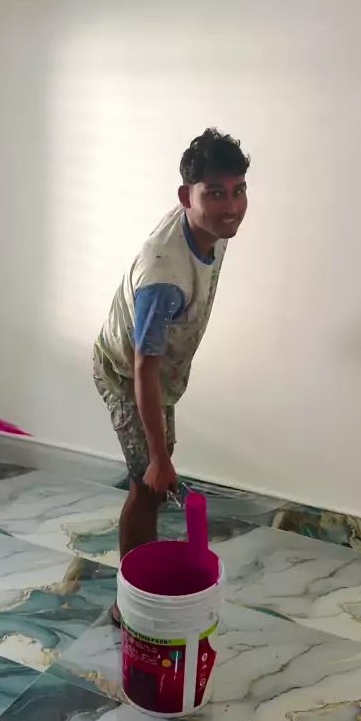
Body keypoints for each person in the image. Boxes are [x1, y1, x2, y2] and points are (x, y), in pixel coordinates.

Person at [93, 128, 250, 624]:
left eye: (239, 190)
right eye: (215, 193)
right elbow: (144, 368)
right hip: (126, 373)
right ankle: (129, 604)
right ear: (187, 197)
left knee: (156, 477)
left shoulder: (209, 227)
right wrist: (158, 459)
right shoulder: (164, 278)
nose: (231, 207)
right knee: (148, 483)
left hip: (158, 373)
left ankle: (145, 571)